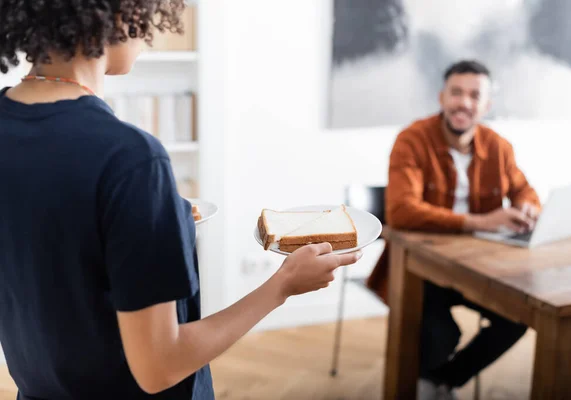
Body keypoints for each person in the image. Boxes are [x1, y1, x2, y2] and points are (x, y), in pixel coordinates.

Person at [0, 2, 362, 399]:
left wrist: (160, 216)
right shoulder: (129, 158)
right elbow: (159, 366)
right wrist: (282, 286)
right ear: (116, 13)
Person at [366, 60, 541, 399]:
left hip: (477, 267)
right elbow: (401, 211)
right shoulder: (412, 139)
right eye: (456, 93)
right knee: (440, 333)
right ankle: (424, 382)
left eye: (475, 96)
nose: (464, 102)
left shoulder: (498, 147)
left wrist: (528, 207)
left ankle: (442, 380)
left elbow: (524, 189)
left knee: (518, 318)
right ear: (442, 97)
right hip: (418, 269)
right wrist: (481, 222)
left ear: (486, 105)